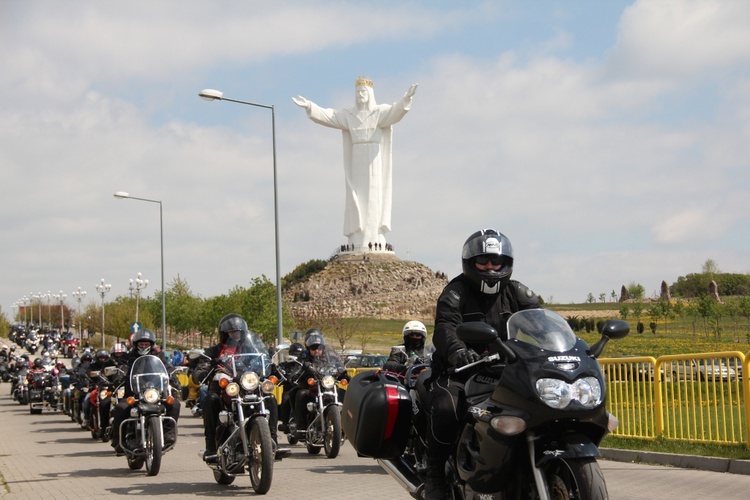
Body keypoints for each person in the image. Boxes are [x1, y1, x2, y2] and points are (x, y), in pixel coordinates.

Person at [423, 229, 541, 500]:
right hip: (459, 372)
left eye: (495, 261)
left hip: (504, 371)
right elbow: (445, 328)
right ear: (470, 263)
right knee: (445, 408)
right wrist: (458, 352)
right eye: (483, 261)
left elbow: (540, 321)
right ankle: (435, 474)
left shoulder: (517, 292)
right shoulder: (455, 292)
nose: (490, 267)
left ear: (506, 264)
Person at [292, 78, 418, 250]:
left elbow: (395, 112)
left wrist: (406, 99)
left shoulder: (379, 112)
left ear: (370, 93)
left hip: (374, 161)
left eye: (363, 91)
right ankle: (358, 236)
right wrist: (310, 106)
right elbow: (330, 116)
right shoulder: (349, 115)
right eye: (357, 92)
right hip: (356, 160)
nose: (360, 95)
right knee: (357, 197)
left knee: (374, 198)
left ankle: (374, 236)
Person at [192, 313, 285, 461]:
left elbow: (262, 360)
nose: (235, 334)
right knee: (210, 400)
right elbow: (199, 371)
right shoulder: (214, 351)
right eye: (232, 332)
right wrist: (205, 370)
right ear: (224, 333)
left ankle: (273, 441)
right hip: (225, 388)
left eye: (238, 332)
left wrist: (273, 368)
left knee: (270, 399)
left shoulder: (250, 348)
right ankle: (210, 447)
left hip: (248, 385)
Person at [110, 328, 180, 454]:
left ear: (151, 345)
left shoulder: (159, 355)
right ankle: (118, 441)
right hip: (134, 392)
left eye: (146, 344)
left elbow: (167, 367)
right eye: (141, 344)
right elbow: (121, 367)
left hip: (155, 392)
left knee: (174, 404)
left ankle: (168, 433)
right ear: (136, 344)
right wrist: (119, 375)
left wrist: (173, 376)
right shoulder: (128, 357)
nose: (143, 346)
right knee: (121, 408)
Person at [292, 331, 350, 436]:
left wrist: (344, 374)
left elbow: (337, 365)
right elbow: (297, 369)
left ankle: (346, 424)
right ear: (308, 348)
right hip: (311, 387)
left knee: (344, 393)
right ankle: (301, 427)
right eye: (313, 349)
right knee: (301, 394)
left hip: (326, 385)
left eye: (319, 348)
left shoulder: (329, 355)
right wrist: (299, 372)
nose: (317, 351)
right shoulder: (304, 356)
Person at [277, 342, 305, 433]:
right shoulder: (285, 365)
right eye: (295, 354)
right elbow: (279, 371)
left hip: (302, 387)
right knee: (286, 399)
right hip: (289, 388)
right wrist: (281, 375)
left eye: (299, 354)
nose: (297, 356)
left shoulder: (304, 365)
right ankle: (285, 422)